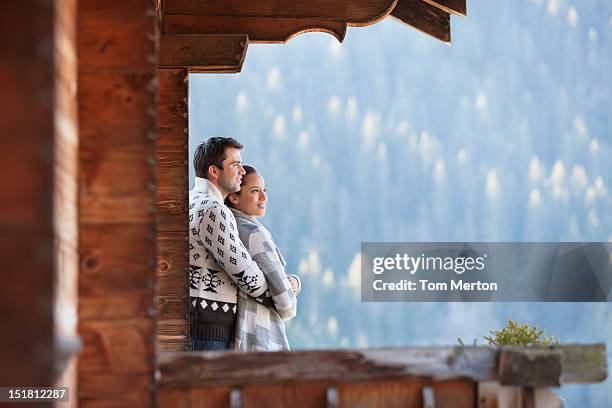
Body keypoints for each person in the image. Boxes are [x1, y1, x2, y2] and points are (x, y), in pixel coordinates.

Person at [189, 137, 275, 351]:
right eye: (235, 165)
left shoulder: (191, 200)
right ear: (214, 171)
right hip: (206, 334)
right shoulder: (214, 210)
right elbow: (248, 277)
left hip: (194, 328)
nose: (242, 172)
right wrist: (284, 288)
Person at [225, 165, 300, 351]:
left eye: (264, 190)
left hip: (238, 337)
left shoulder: (230, 227)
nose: (264, 197)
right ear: (234, 197)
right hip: (262, 340)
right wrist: (293, 285)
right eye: (254, 191)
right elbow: (286, 304)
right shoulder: (254, 233)